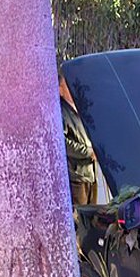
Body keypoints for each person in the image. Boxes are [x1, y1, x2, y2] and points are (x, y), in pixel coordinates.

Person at [59, 77, 97, 206]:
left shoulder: (82, 108)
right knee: (81, 219)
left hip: (90, 172)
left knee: (94, 216)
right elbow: (62, 142)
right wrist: (88, 152)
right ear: (60, 90)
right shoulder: (60, 111)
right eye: (67, 86)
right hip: (76, 175)